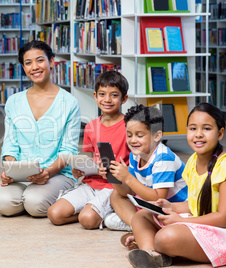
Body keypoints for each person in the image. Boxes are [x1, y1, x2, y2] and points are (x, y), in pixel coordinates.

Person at [126, 103, 226, 268]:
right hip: (198, 223)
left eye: (207, 129)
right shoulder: (193, 161)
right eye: (193, 129)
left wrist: (180, 220)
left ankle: (153, 244)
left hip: (219, 230)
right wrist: (171, 206)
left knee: (165, 238)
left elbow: (223, 217)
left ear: (220, 133)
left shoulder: (223, 167)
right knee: (142, 215)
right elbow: (193, 204)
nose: (198, 135)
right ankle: (152, 254)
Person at [0, 40, 81, 217]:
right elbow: (10, 143)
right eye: (28, 63)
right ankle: (29, 193)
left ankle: (67, 195)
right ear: (24, 68)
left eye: (40, 60)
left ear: (52, 62)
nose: (35, 67)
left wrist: (47, 173)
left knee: (35, 204)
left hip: (56, 174)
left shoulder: (69, 102)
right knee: (5, 205)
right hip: (21, 174)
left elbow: (68, 150)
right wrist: (10, 170)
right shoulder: (14, 101)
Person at [47, 70, 131, 229]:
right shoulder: (91, 126)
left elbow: (137, 164)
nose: (107, 99)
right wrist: (81, 170)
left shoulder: (130, 126)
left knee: (87, 220)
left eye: (114, 95)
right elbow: (93, 158)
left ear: (124, 98)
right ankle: (94, 210)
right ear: (95, 96)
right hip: (91, 184)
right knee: (54, 214)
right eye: (102, 94)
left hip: (114, 187)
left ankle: (102, 211)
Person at [102, 104, 188, 235]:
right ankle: (137, 227)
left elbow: (159, 198)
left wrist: (128, 178)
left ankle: (140, 227)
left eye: (139, 135)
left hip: (171, 208)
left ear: (157, 136)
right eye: (129, 135)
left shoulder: (164, 158)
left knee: (112, 218)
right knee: (116, 195)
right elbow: (127, 192)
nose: (133, 140)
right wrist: (113, 176)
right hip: (149, 204)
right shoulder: (135, 155)